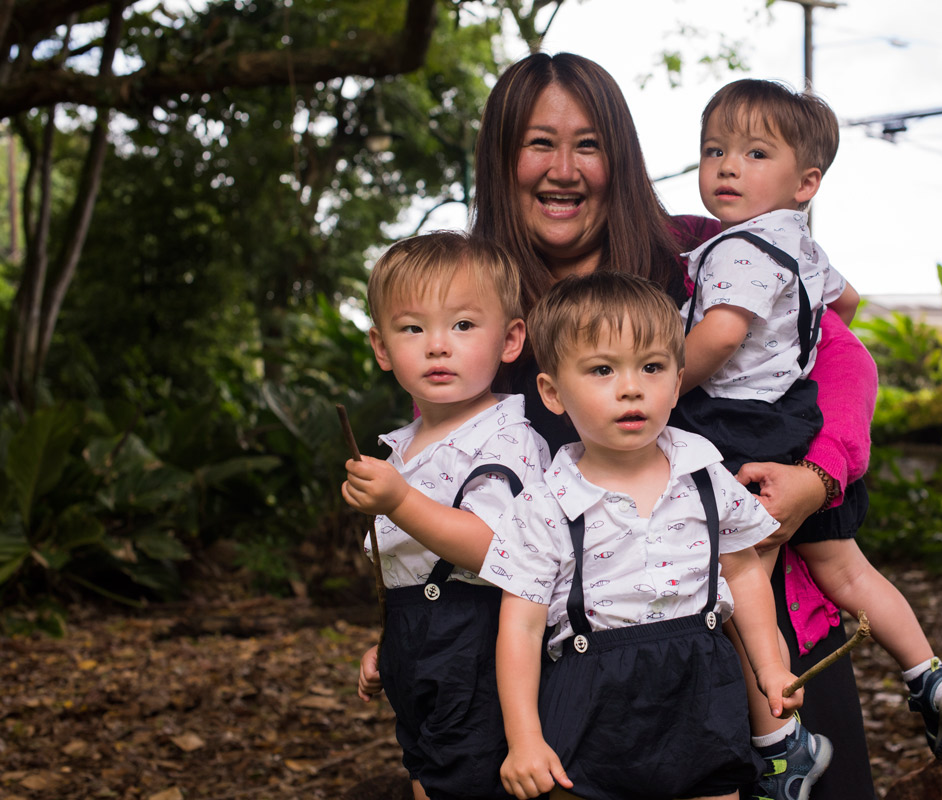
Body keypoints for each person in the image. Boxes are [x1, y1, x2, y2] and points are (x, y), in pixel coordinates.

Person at [361, 51, 881, 799]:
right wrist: (408, 627)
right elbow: (440, 484)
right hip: (580, 658)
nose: (563, 169)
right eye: (539, 143)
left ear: (620, 155)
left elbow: (841, 354)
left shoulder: (705, 252)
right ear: (503, 160)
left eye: (588, 144)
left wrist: (819, 475)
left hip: (758, 591)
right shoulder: (470, 304)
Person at [675, 78, 942, 764]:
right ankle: (929, 674)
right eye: (714, 149)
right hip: (797, 422)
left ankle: (782, 745)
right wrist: (792, 348)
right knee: (845, 567)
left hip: (738, 429)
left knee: (747, 588)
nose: (727, 166)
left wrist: (665, 383)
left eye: (755, 153)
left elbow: (721, 337)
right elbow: (847, 302)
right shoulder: (800, 244)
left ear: (806, 181)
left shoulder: (737, 250)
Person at [484, 271, 812, 800]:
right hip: (593, 697)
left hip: (702, 687)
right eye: (602, 369)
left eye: (652, 367)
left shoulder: (705, 476)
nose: (631, 386)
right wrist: (524, 740)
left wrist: (770, 668)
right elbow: (519, 631)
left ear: (677, 381)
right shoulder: (543, 505)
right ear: (552, 392)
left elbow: (746, 570)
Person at [341, 231, 551, 800]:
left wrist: (399, 503)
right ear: (382, 348)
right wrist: (390, 644)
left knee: (465, 780)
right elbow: (407, 566)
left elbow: (496, 552)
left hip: (478, 641)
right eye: (413, 328)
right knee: (425, 770)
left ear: (510, 340)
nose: (438, 345)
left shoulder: (505, 441)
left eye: (462, 326)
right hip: (423, 640)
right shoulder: (404, 447)